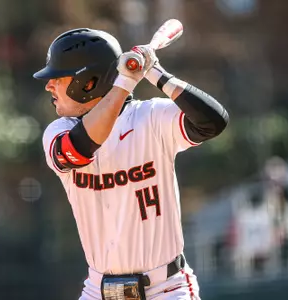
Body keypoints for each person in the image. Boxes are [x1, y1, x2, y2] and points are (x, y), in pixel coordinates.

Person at [34, 28, 229, 300]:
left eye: (58, 78)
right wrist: (124, 83)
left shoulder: (151, 117)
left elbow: (213, 122)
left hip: (167, 289)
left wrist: (156, 73)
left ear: (87, 82)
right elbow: (78, 148)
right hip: (99, 291)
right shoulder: (59, 130)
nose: (49, 85)